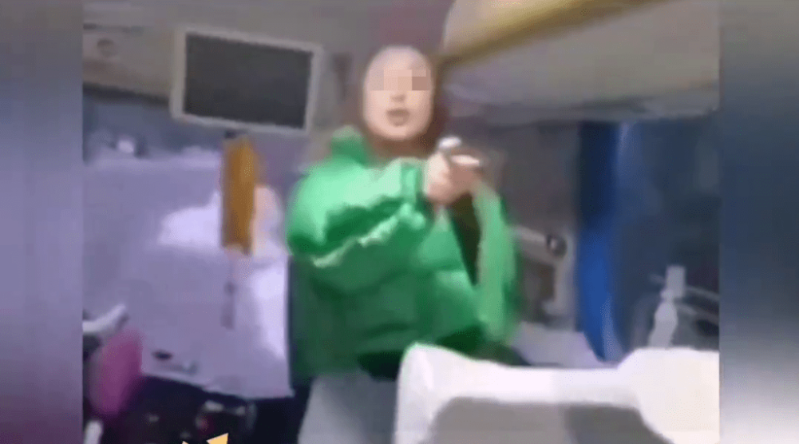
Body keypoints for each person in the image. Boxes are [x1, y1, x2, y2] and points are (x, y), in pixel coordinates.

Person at [285, 45, 523, 388]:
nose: (399, 94)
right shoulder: (325, 182)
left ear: (432, 101)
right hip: (355, 388)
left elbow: (496, 295)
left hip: (451, 382)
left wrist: (489, 360)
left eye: (414, 84)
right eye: (384, 83)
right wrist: (417, 190)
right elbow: (332, 252)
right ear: (361, 98)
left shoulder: (474, 192)